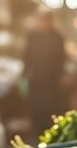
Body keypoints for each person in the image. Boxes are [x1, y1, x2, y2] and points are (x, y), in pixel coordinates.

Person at [22, 8, 67, 139]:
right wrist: (24, 73)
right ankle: (37, 135)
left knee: (51, 108)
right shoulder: (32, 36)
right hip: (36, 80)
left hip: (52, 80)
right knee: (36, 109)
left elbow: (62, 58)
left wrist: (62, 75)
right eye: (41, 20)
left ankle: (50, 135)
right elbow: (26, 55)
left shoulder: (57, 37)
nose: (43, 24)